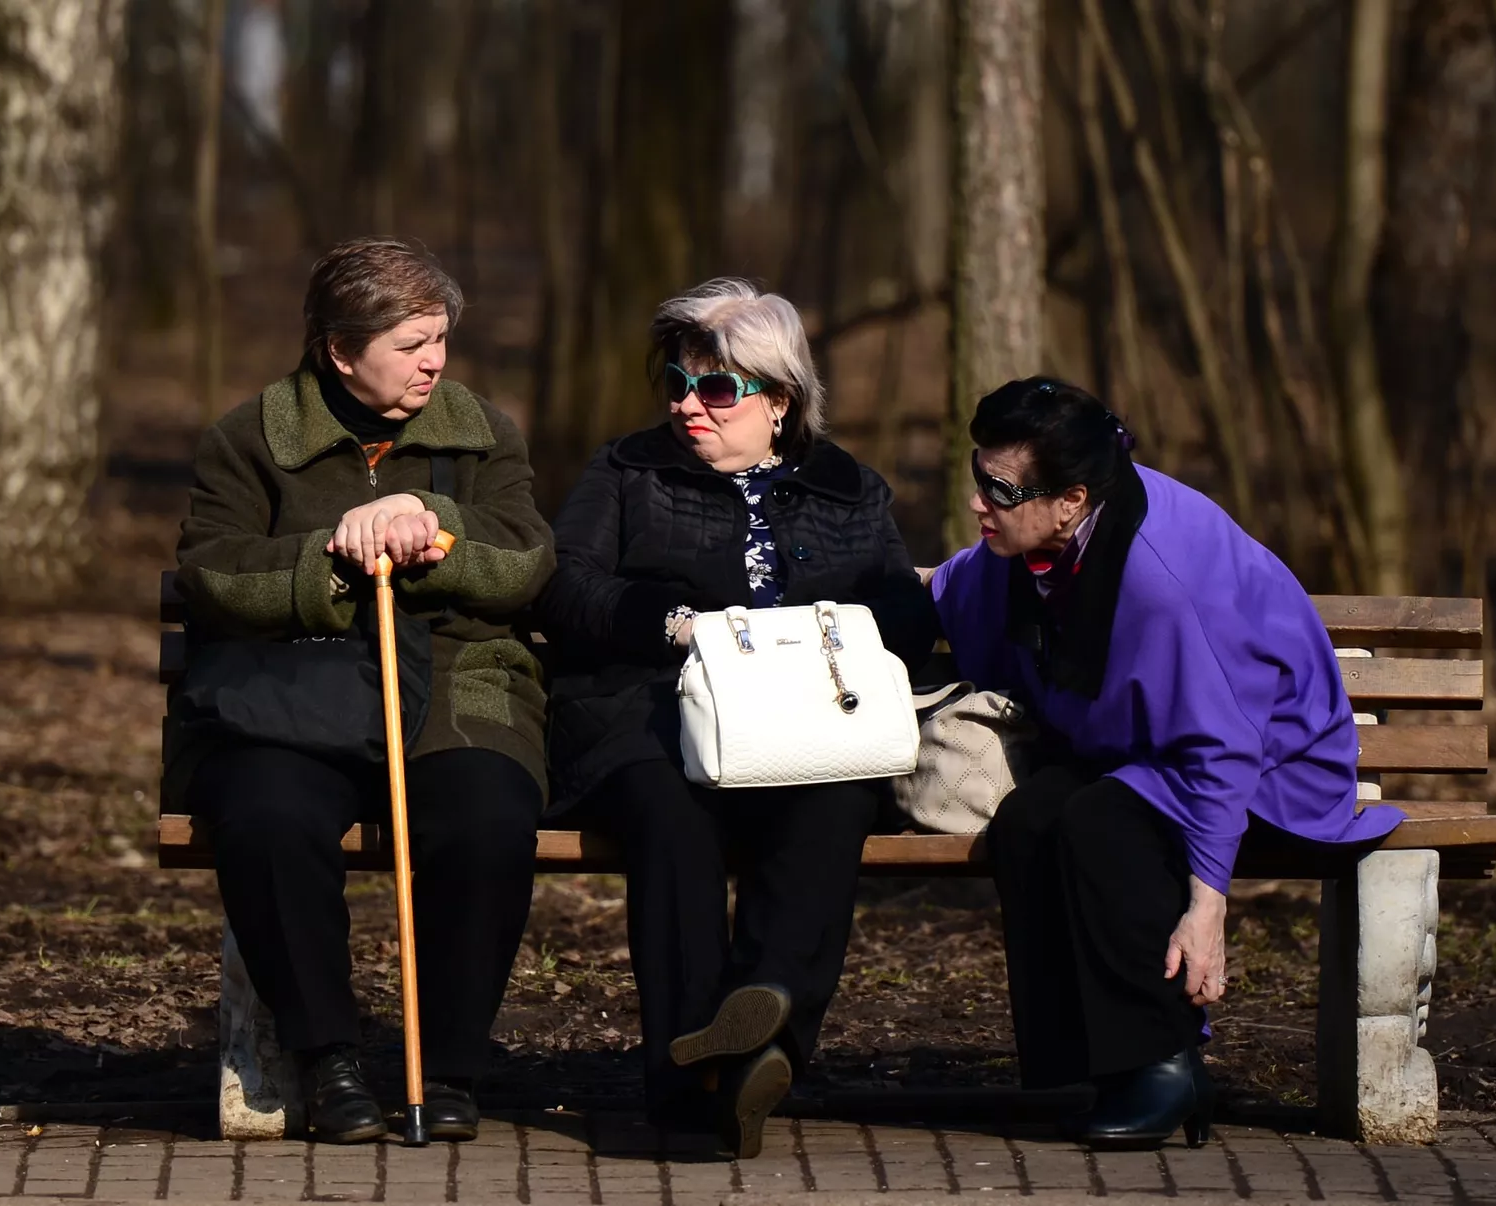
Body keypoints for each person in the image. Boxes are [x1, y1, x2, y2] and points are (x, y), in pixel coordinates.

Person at [929, 377, 1403, 1150]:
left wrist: (1208, 908)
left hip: (1268, 764)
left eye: (1001, 490)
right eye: (977, 476)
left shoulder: (1161, 577)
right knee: (1029, 819)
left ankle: (1166, 1063)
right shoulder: (1039, 535)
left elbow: (1222, 748)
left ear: (1071, 500)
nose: (979, 501)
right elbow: (957, 589)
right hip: (1141, 747)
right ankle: (1084, 1066)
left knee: (1100, 823)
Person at [535, 279, 936, 1157]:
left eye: (716, 389)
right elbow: (565, 585)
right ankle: (694, 1084)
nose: (689, 406)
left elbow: (904, 614)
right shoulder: (629, 470)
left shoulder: (848, 489)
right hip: (649, 709)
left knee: (836, 799)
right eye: (678, 385)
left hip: (807, 717)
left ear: (780, 399)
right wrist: (676, 626)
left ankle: (760, 1035)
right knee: (669, 812)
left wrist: (821, 636)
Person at [168, 239, 555, 1144]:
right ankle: (327, 1060)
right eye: (411, 344)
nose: (434, 361)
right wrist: (331, 560)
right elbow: (213, 572)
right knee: (267, 816)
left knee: (488, 816)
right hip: (297, 695)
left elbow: (527, 560)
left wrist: (435, 528)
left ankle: (448, 1068)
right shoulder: (250, 437)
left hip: (459, 684)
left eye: (440, 338)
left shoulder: (482, 431)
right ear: (340, 351)